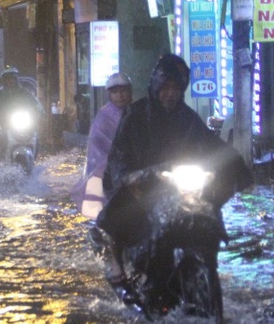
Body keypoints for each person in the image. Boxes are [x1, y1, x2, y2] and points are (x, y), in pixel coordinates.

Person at [98, 53, 253, 283]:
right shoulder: (136, 115)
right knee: (122, 214)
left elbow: (212, 145)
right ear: (156, 86)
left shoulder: (188, 119)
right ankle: (116, 261)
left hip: (177, 185)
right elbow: (118, 154)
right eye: (166, 87)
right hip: (143, 183)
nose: (170, 93)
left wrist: (239, 169)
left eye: (176, 88)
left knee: (204, 211)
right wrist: (128, 176)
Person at [70, 72, 132, 219]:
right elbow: (99, 145)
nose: (120, 95)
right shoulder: (105, 116)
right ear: (109, 95)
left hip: (130, 170)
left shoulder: (136, 112)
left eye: (123, 91)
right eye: (115, 92)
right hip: (104, 171)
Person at [0, 68, 43, 156]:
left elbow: (36, 105)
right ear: (4, 80)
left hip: (23, 124)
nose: (10, 81)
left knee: (35, 137)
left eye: (13, 78)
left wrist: (40, 115)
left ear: (16, 79)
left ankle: (34, 157)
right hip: (3, 125)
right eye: (8, 79)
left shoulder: (25, 93)